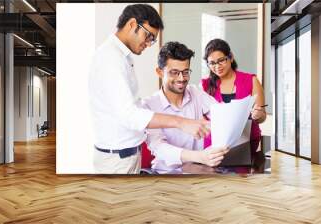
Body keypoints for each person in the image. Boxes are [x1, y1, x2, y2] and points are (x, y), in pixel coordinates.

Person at [89, 4, 209, 174]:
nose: (149, 43)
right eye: (149, 36)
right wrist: (181, 122)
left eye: (153, 39)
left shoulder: (122, 57)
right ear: (132, 24)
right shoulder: (111, 59)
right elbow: (129, 114)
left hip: (127, 156)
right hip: (117, 161)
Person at [142, 41, 229, 172]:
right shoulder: (149, 105)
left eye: (186, 72)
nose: (182, 78)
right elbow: (159, 147)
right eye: (174, 72)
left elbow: (221, 114)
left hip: (198, 170)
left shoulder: (195, 92)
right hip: (166, 174)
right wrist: (200, 156)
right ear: (160, 72)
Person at [201, 38, 266, 153]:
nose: (217, 66)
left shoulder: (251, 80)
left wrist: (258, 114)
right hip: (214, 146)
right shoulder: (204, 85)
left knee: (242, 171)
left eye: (221, 60)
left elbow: (262, 116)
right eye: (212, 63)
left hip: (245, 144)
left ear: (230, 57)